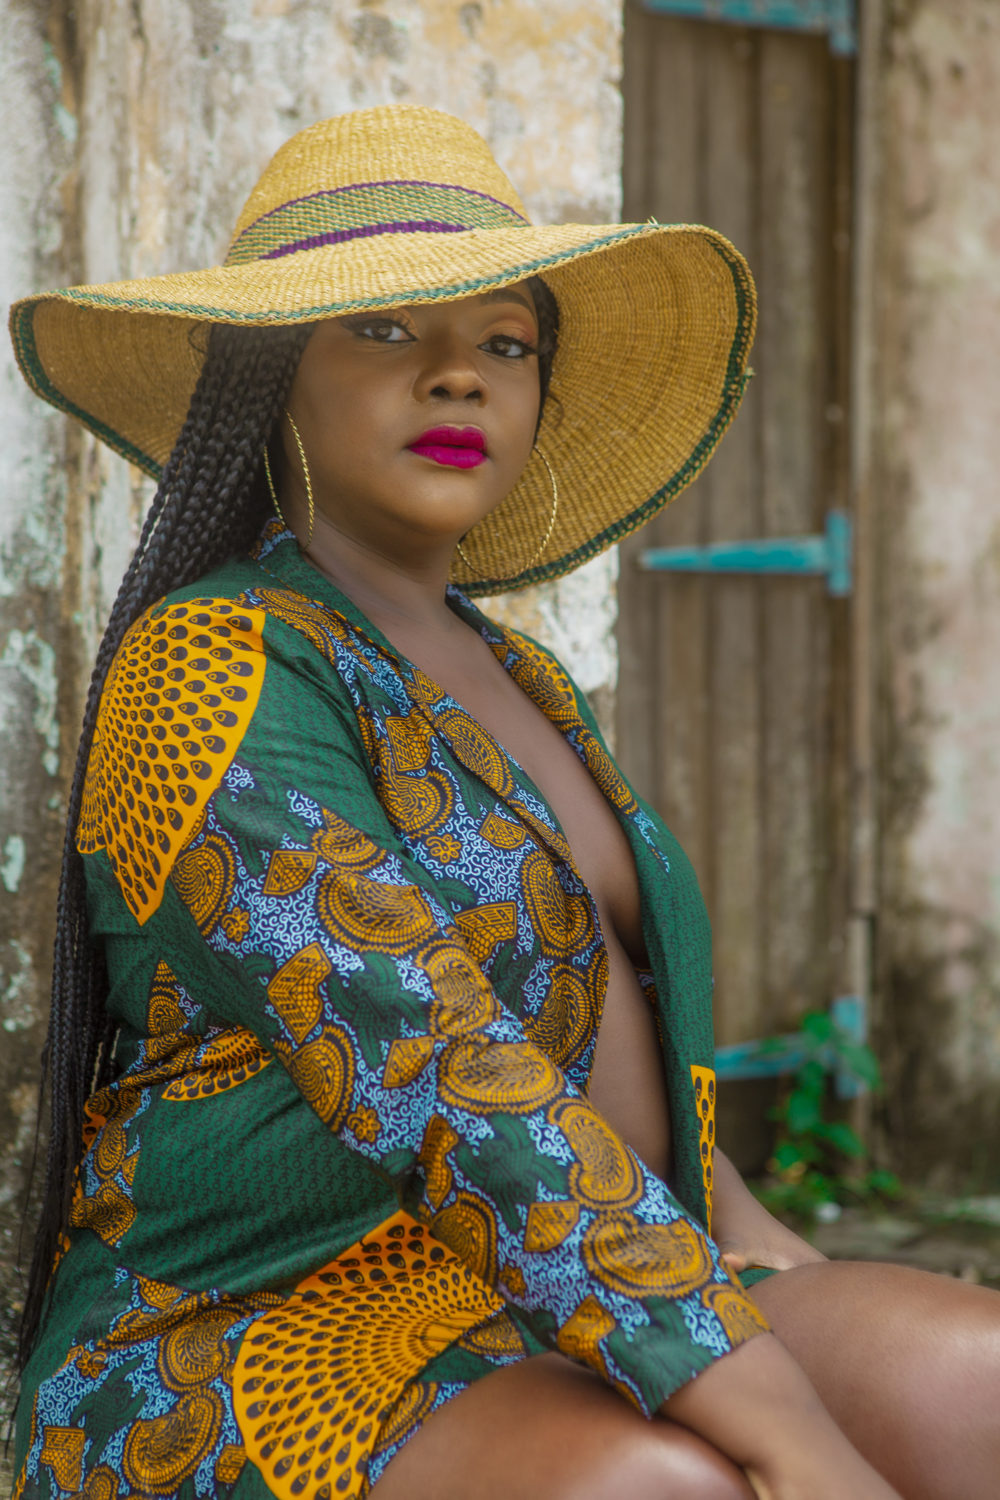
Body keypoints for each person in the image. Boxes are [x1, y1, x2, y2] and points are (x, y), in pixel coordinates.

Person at [8, 105, 998, 1500]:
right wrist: (792, 1425)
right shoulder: (209, 662)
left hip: (579, 1280)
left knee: (974, 1382)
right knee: (661, 1487)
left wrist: (763, 1255)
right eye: (385, 331)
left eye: (506, 343)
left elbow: (605, 1017)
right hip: (261, 1319)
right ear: (274, 379)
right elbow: (433, 1063)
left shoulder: (525, 677)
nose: (459, 377)